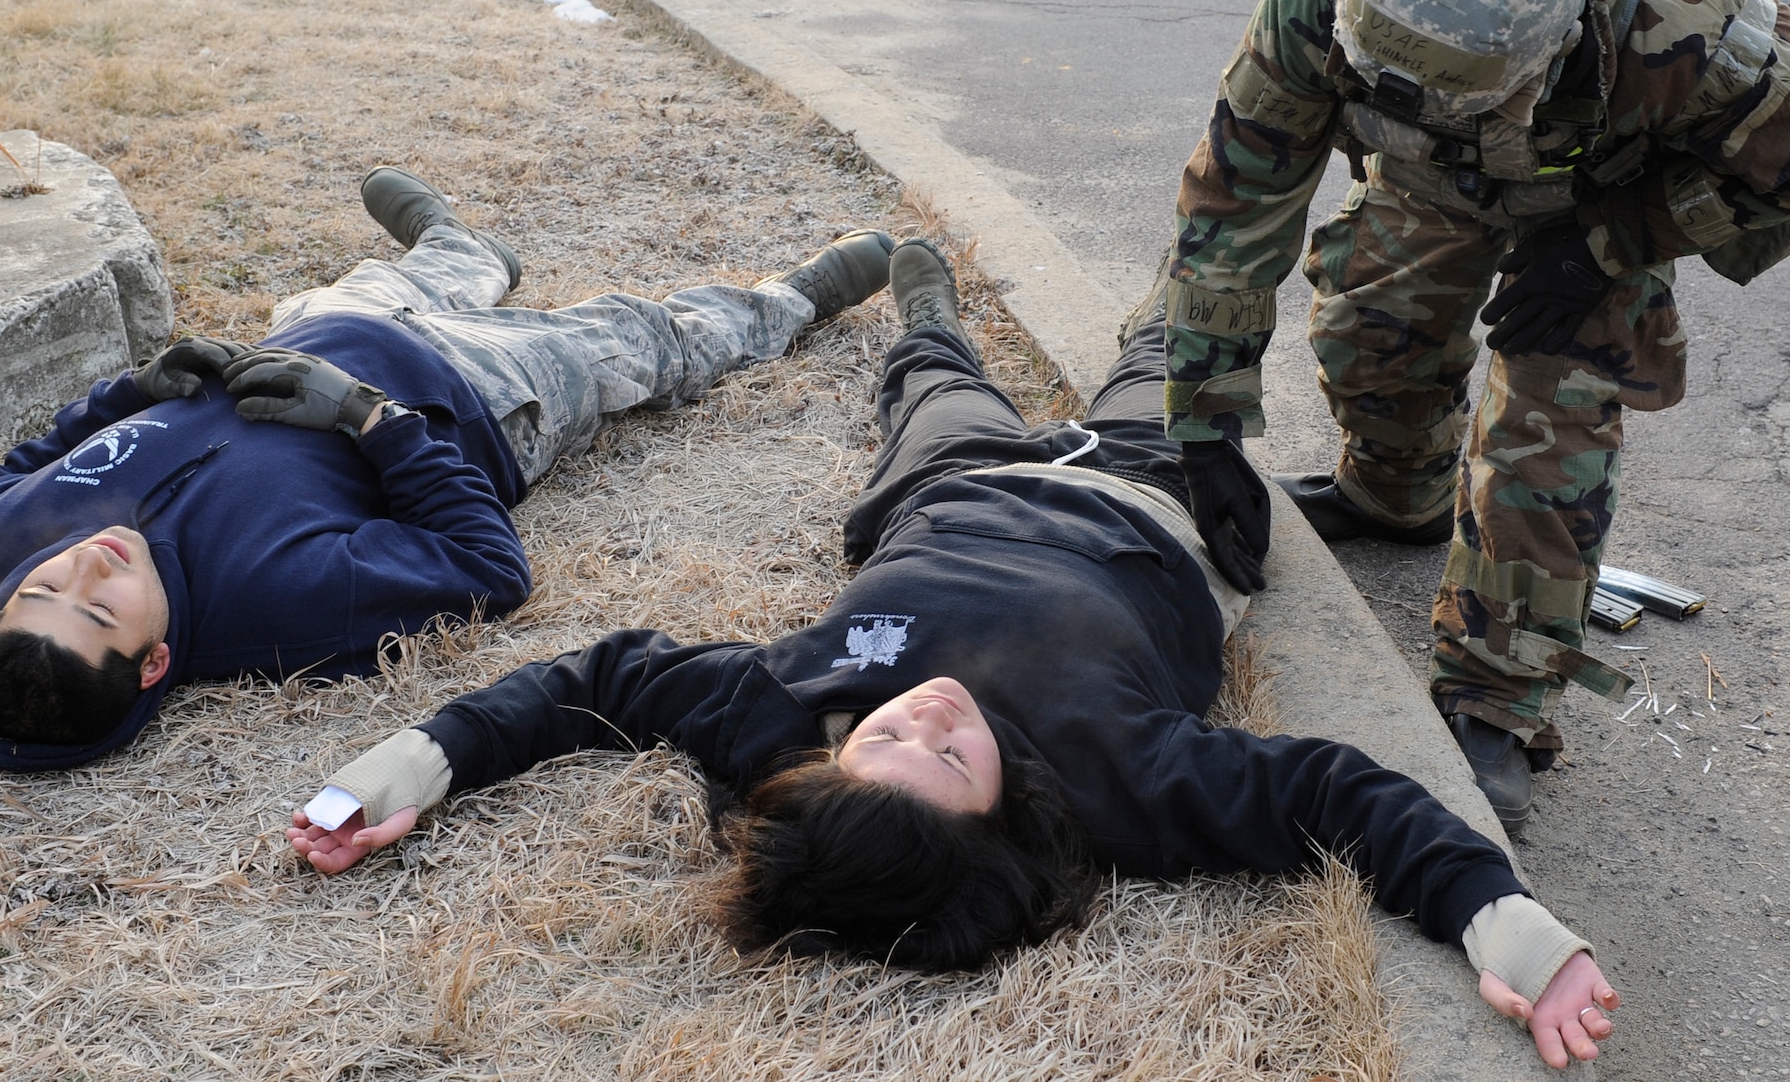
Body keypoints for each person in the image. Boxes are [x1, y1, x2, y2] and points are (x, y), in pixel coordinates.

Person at [289, 239, 1621, 1070]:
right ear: (1003, 817)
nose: (923, 714)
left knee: (927, 378)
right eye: (945, 755)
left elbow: (587, 681)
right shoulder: (1122, 782)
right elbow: (1341, 795)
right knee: (1180, 343)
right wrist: (1499, 917)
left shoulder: (781, 719)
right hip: (1140, 501)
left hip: (947, 485)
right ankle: (1187, 284)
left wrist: (413, 762)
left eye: (887, 736)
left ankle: (923, 294)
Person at [1158, 0, 1790, 832]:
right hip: (1431, 179)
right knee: (1368, 327)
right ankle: (1392, 492)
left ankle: (1496, 694)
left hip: (1600, 196)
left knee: (1546, 426)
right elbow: (1235, 193)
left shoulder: (1683, 19)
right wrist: (1204, 415)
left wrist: (1608, 245)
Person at [0, 166, 894, 770]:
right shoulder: (280, 602)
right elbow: (488, 567)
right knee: (642, 338)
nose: (86, 563)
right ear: (154, 662)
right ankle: (787, 302)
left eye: (43, 587)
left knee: (386, 283)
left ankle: (461, 248)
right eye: (100, 606)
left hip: (322, 331)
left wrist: (127, 393)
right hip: (474, 394)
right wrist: (369, 418)